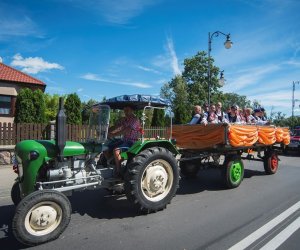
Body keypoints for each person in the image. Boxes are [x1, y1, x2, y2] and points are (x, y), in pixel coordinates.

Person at [107, 106, 141, 177]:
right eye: (125, 111)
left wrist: (113, 134)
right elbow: (117, 126)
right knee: (105, 148)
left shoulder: (134, 120)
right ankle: (112, 164)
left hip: (131, 142)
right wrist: (107, 131)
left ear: (132, 110)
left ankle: (119, 172)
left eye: (127, 110)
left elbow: (127, 130)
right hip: (124, 140)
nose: (126, 112)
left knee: (116, 151)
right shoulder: (125, 120)